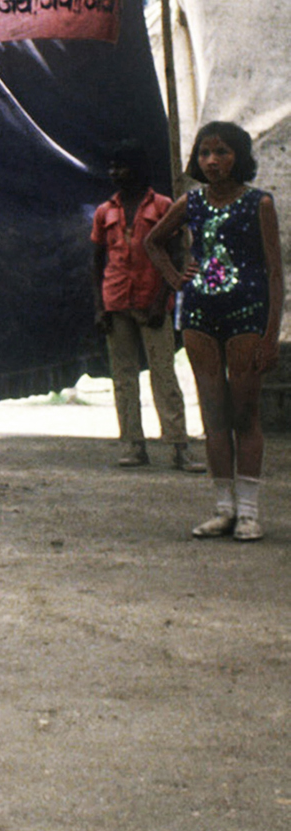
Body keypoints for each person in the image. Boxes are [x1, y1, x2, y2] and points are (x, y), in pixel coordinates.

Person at [145, 121, 283, 541]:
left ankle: (249, 512)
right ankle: (223, 509)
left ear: (238, 156)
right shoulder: (191, 202)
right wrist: (174, 277)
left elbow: (276, 274)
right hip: (199, 315)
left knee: (245, 411)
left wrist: (271, 333)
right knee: (214, 413)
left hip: (247, 313)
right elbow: (153, 241)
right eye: (205, 153)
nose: (212, 161)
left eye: (221, 152)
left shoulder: (259, 204)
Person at [89, 139, 202, 471]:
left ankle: (179, 446)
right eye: (111, 167)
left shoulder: (164, 206)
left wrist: (162, 299)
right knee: (123, 377)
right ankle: (133, 445)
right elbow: (96, 262)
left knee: (163, 375)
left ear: (137, 169)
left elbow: (177, 254)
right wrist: (100, 307)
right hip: (116, 302)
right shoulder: (105, 211)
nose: (114, 173)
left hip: (153, 303)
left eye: (120, 166)